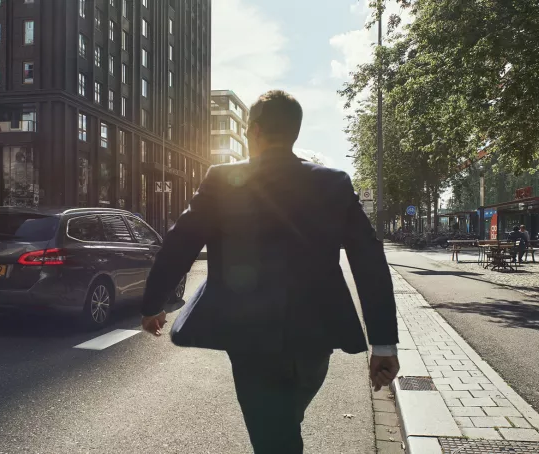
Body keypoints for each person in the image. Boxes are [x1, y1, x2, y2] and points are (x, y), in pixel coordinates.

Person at [140, 90, 399, 454]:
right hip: (316, 337)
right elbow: (369, 258)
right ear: (294, 131)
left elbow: (181, 242)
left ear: (256, 130)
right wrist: (383, 342)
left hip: (250, 337)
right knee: (281, 426)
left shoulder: (222, 179)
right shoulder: (334, 183)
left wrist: (154, 303)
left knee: (274, 436)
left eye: (247, 132)